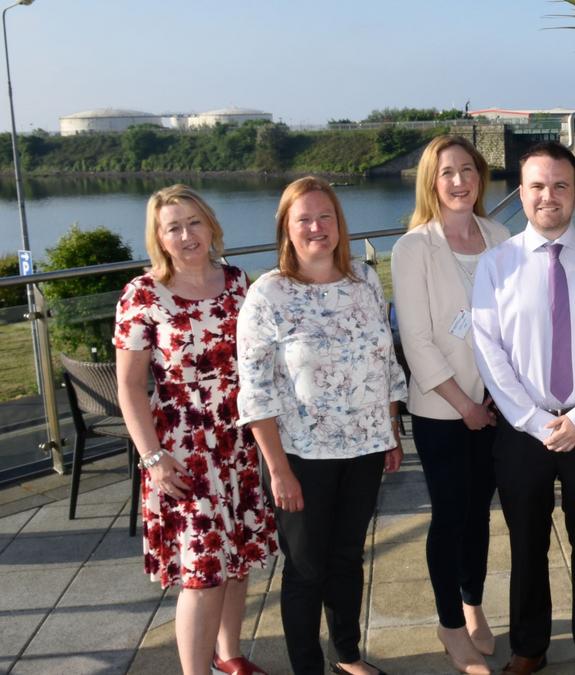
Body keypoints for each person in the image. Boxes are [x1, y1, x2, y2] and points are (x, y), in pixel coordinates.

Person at [236, 176, 407, 675]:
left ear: (339, 223)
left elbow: (384, 361)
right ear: (286, 229)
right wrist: (278, 470)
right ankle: (307, 667)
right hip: (301, 458)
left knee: (348, 557)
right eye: (304, 219)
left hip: (365, 449)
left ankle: (347, 656)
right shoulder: (268, 294)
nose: (317, 227)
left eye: (325, 216)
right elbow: (255, 391)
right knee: (307, 569)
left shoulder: (364, 279)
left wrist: (390, 429)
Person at [115, 185, 277, 675]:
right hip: (181, 451)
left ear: (211, 226)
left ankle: (229, 655)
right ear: (159, 238)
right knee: (203, 571)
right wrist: (152, 458)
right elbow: (129, 387)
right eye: (173, 228)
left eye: (194, 222)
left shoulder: (237, 283)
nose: (187, 235)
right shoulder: (142, 294)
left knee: (238, 558)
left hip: (237, 441)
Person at [471, 141, 575, 675]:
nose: (548, 196)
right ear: (521, 192)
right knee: (526, 544)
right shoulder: (496, 264)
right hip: (521, 430)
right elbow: (488, 350)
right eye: (537, 185)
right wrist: (534, 422)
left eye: (560, 185)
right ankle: (529, 647)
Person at [391, 135, 509, 675]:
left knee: (479, 515)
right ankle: (449, 626)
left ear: (480, 176)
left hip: (497, 406)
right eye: (447, 173)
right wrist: (466, 406)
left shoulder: (500, 236)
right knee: (449, 517)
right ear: (431, 183)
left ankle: (472, 605)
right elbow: (416, 341)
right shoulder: (413, 248)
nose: (459, 181)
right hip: (443, 411)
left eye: (467, 169)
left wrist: (500, 398)